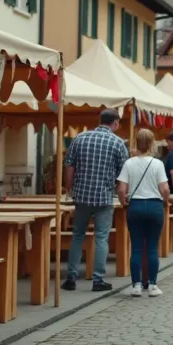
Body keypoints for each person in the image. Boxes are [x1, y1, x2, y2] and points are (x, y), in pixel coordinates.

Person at [61, 108, 128, 292]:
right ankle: (98, 280)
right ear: (115, 122)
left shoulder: (80, 138)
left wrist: (70, 188)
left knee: (77, 236)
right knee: (101, 238)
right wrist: (121, 192)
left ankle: (71, 278)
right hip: (104, 197)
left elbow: (69, 166)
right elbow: (124, 174)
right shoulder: (118, 143)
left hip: (81, 195)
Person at [117, 128, 171, 297]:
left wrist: (123, 201)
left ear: (136, 143)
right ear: (151, 143)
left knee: (137, 248)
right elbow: (165, 189)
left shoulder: (129, 163)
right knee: (153, 248)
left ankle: (136, 285)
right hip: (154, 207)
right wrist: (165, 199)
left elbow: (121, 189)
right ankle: (153, 285)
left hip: (136, 206)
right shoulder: (157, 163)